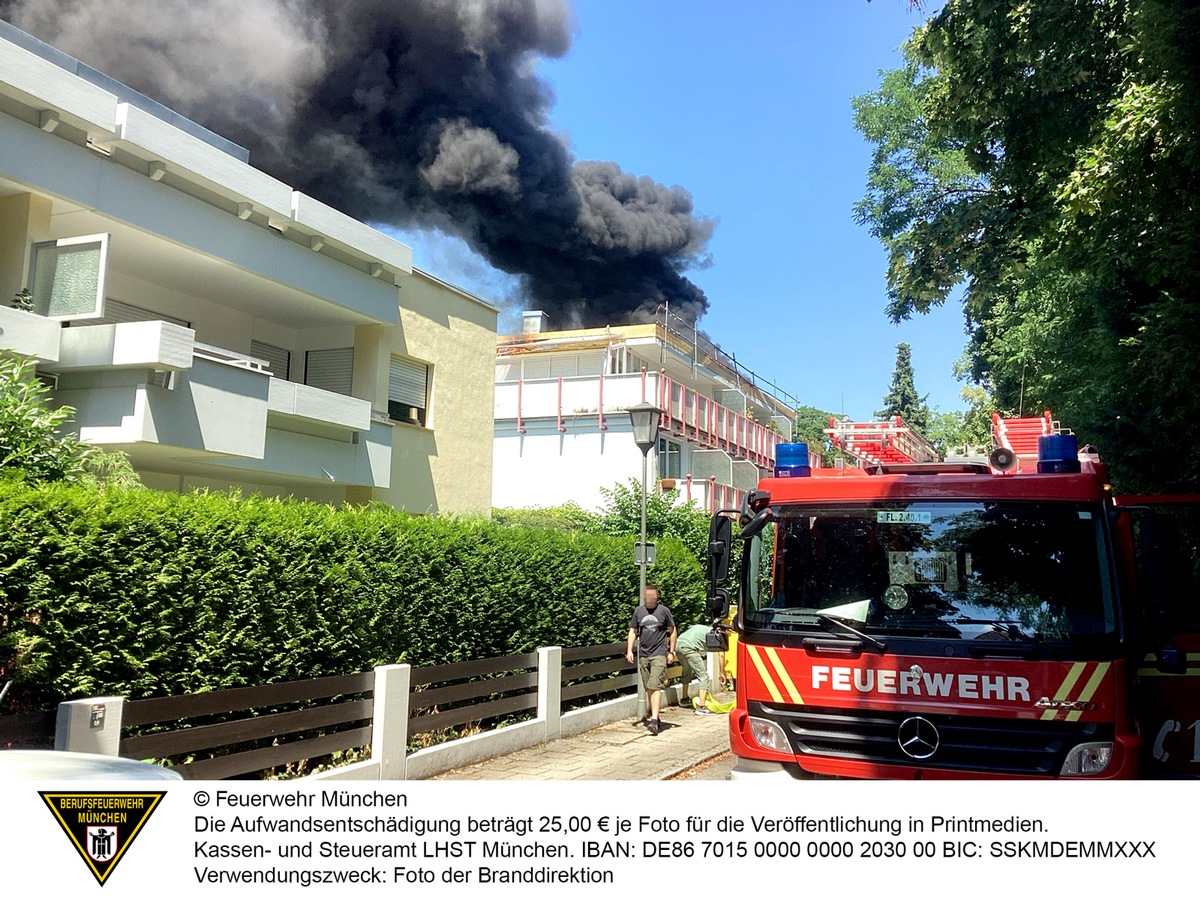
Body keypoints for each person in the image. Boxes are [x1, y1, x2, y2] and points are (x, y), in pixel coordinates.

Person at [625, 584, 676, 735]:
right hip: (644, 654)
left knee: (655, 685)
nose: (650, 598)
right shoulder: (638, 612)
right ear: (644, 595)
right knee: (649, 687)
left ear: (657, 596)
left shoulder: (664, 611)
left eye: (653, 595)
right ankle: (655, 716)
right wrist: (629, 650)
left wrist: (671, 651)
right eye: (648, 595)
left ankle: (653, 720)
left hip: (659, 654)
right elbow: (633, 631)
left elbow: (673, 631)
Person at [675, 623, 717, 715]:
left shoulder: (701, 627)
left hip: (677, 645)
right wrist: (721, 672)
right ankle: (701, 707)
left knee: (686, 670)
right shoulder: (713, 635)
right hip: (688, 648)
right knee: (703, 675)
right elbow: (720, 654)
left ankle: (684, 699)